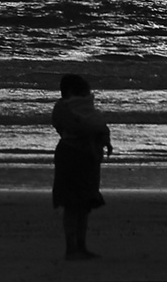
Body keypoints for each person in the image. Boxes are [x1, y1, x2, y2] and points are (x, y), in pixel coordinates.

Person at [51, 74, 112, 261]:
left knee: (83, 204)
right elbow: (83, 127)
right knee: (73, 204)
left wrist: (102, 137)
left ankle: (80, 247)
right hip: (74, 156)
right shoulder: (65, 108)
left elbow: (94, 125)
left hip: (85, 157)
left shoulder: (80, 108)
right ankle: (72, 248)